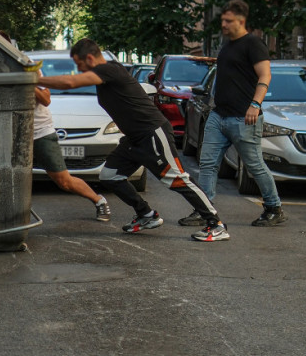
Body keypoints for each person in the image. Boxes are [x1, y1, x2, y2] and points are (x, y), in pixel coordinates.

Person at [36, 38, 229, 242]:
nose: (79, 69)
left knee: (177, 179)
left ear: (90, 58)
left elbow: (70, 82)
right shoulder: (106, 73)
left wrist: (33, 80)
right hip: (134, 139)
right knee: (110, 176)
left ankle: (216, 224)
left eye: (79, 64)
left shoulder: (108, 70)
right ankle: (146, 215)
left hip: (152, 133)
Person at [196, 0, 286, 227]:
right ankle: (204, 210)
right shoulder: (227, 46)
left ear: (241, 21)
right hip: (219, 115)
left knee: (254, 165)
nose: (223, 24)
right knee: (207, 163)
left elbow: (265, 75)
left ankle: (274, 208)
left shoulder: (253, 44)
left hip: (244, 118)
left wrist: (255, 104)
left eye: (228, 21)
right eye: (223, 20)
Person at [32, 72, 112, 222]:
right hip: (13, 133)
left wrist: (27, 83)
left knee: (63, 181)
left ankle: (98, 200)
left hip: (40, 132)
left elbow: (46, 99)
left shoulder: (28, 67)